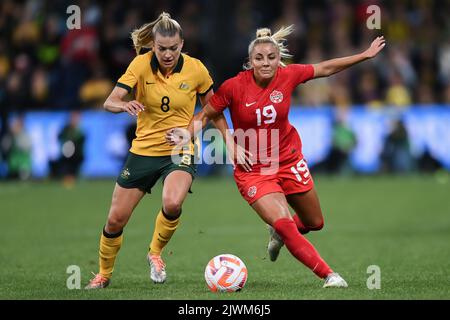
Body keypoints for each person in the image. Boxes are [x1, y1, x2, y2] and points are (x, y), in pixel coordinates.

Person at [168, 26, 385, 287]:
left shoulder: (288, 75)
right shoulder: (234, 86)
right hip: (253, 170)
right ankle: (330, 275)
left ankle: (279, 235)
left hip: (290, 160)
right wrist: (187, 133)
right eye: (259, 58)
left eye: (271, 57)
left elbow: (325, 68)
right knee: (285, 223)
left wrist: (364, 55)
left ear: (277, 58)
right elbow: (207, 114)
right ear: (250, 62)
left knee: (315, 222)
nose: (266, 62)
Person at [85, 12, 219, 289]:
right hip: (144, 150)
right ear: (153, 46)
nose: (167, 54)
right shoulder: (140, 65)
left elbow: (211, 109)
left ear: (182, 44)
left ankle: (155, 253)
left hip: (179, 149)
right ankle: (104, 274)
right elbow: (110, 101)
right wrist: (124, 105)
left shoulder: (196, 69)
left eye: (173, 48)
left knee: (172, 202)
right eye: (161, 49)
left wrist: (201, 134)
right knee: (115, 219)